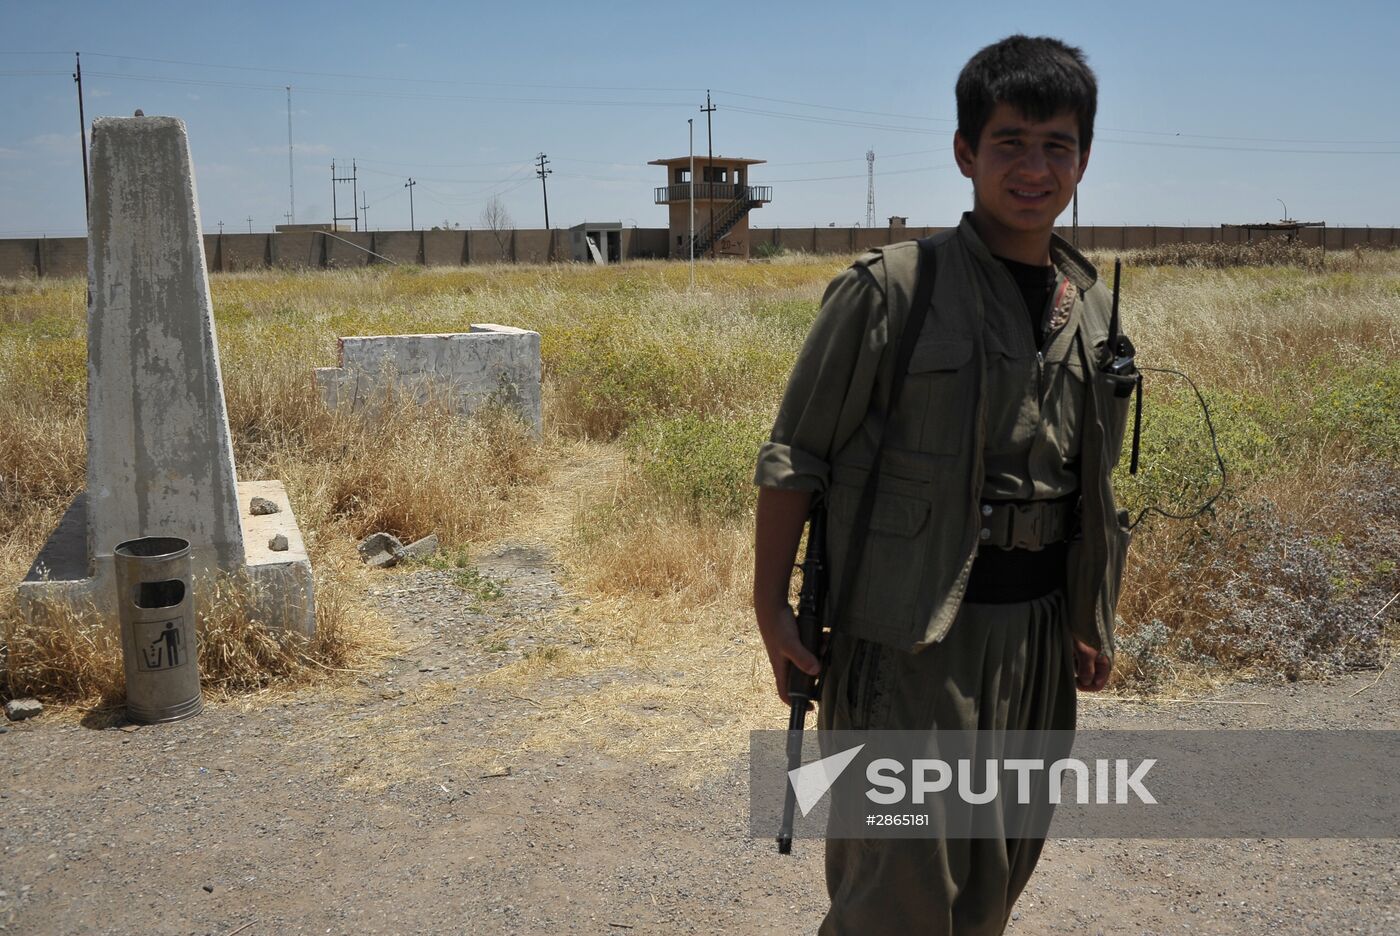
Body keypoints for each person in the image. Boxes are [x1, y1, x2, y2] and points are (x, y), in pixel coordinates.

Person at [752, 35, 1134, 935]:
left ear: (1083, 157)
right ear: (966, 152)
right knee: (897, 900)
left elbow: (1089, 482)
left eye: (1057, 145)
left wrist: (1087, 615)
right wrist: (769, 609)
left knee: (991, 891)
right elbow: (793, 456)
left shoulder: (1094, 310)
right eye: (1009, 142)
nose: (1034, 167)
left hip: (1036, 646)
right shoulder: (893, 291)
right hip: (910, 644)